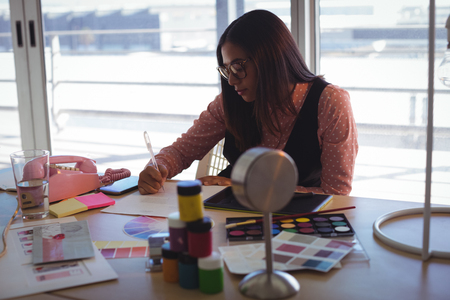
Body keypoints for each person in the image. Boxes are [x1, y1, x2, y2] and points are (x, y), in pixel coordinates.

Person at [138, 9, 358, 196]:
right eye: (226, 70)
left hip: (297, 220)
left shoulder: (329, 102)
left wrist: (246, 188)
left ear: (272, 57)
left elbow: (336, 195)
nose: (232, 80)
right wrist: (158, 167)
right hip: (230, 211)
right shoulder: (231, 101)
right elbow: (182, 151)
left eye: (238, 67)